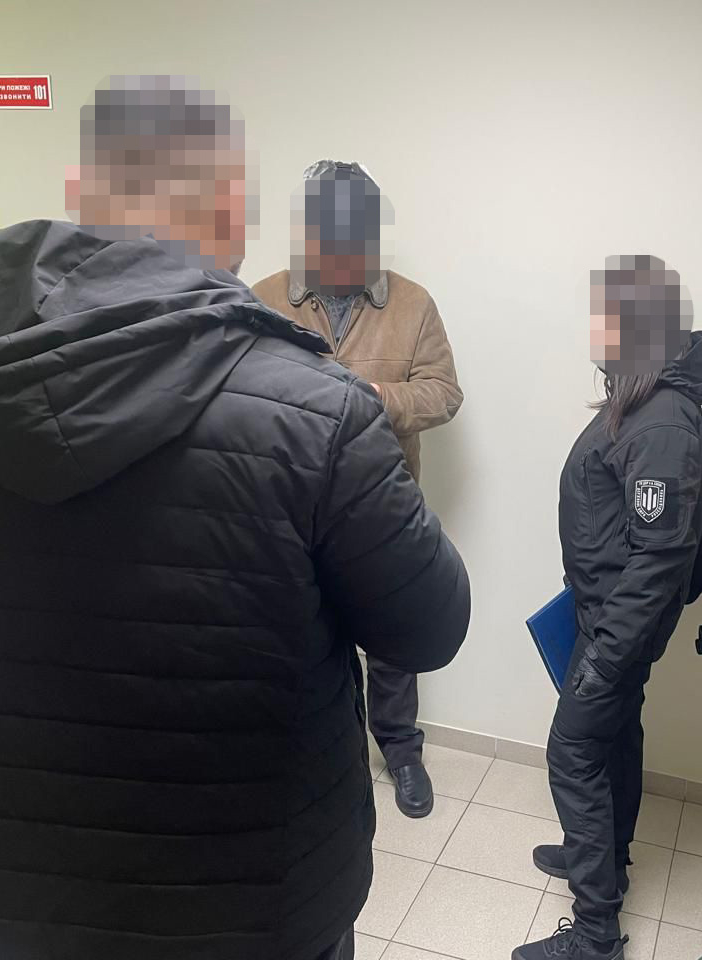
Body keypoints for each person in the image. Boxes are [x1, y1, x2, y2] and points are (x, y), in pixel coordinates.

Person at [0, 76, 470, 960]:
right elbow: (431, 624)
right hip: (244, 907)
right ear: (234, 211)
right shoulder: (316, 408)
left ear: (81, 190)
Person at [516, 256, 702, 960]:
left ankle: (596, 934)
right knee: (615, 739)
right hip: (606, 619)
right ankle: (605, 858)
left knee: (571, 752)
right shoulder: (645, 401)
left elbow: (658, 559)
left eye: (606, 317)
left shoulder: (662, 421)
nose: (594, 330)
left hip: (617, 629)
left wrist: (604, 656)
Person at [253, 161, 463, 819]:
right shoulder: (262, 297)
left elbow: (444, 393)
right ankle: (304, 753)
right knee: (296, 634)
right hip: (288, 506)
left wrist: (373, 397)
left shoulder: (413, 303)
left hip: (383, 504)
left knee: (392, 637)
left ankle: (400, 749)